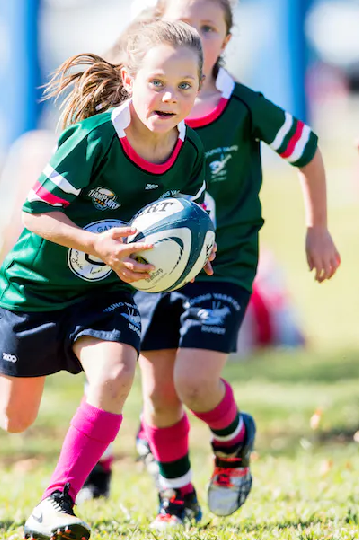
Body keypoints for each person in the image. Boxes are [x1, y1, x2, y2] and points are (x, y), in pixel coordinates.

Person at [0, 18, 215, 540]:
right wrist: (97, 244)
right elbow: (35, 215)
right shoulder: (92, 141)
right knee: (13, 417)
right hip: (34, 291)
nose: (169, 96)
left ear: (198, 89)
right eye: (156, 82)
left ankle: (56, 501)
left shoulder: (190, 155)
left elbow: (192, 216)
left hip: (105, 292)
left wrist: (196, 252)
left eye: (184, 86)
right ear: (128, 79)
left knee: (114, 376)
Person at [84, 0, 341, 528]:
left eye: (209, 28)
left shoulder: (242, 108)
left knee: (195, 383)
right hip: (151, 269)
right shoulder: (137, 106)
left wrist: (317, 228)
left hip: (222, 267)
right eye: (185, 26)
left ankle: (231, 438)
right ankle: (176, 497)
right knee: (156, 394)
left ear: (227, 38)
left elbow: (308, 151)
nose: (197, 38)